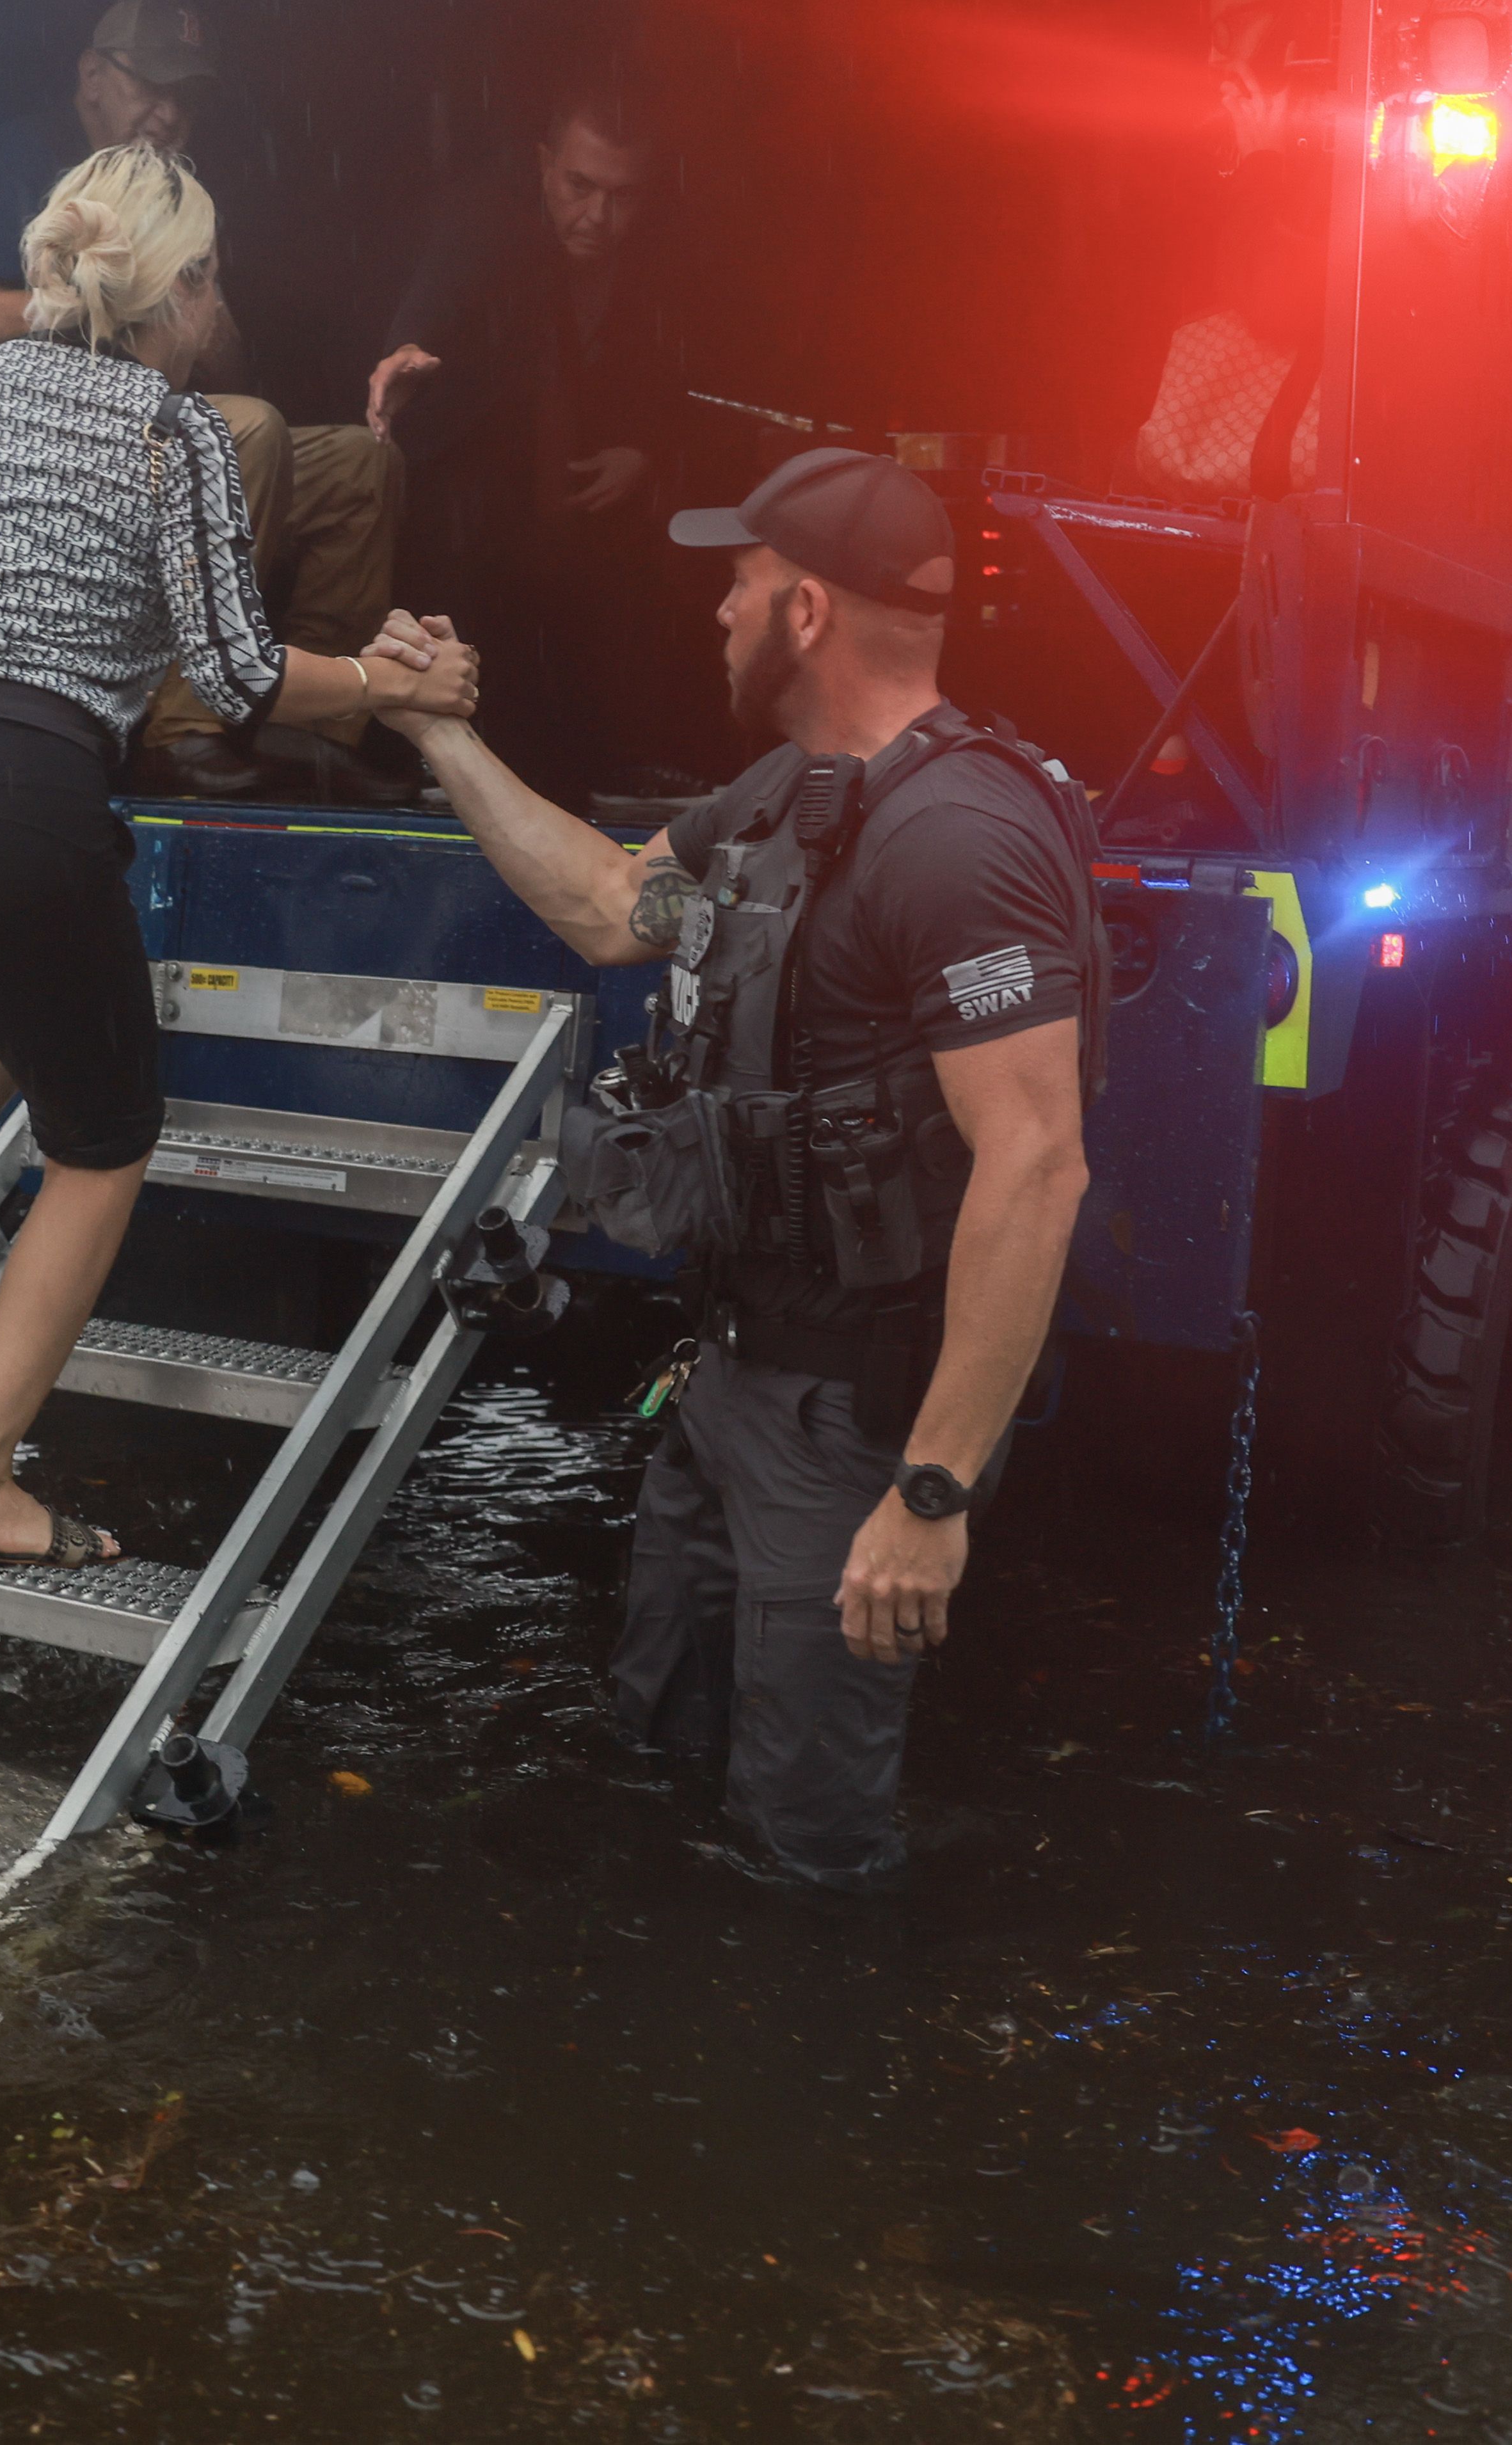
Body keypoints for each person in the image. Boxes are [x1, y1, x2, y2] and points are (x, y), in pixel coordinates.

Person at [367, 449, 1102, 1886]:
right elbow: (609, 906)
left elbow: (1040, 1164)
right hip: (734, 1378)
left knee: (807, 1848)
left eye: (742, 581)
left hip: (854, 1425)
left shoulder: (960, 837)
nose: (719, 608)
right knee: (662, 1762)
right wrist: (437, 736)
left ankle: (813, 2070)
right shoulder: (793, 791)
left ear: (809, 610)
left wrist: (933, 1497)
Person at [0, 143, 479, 1572]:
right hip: (5, 815)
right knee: (103, 1142)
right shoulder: (177, 432)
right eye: (217, 271)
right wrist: (386, 690)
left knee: (45, 911)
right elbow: (233, 670)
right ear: (190, 287)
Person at [0, 0, 408, 802]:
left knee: (357, 464)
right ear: (92, 75)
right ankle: (180, 731)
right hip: (73, 443)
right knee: (248, 432)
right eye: (149, 86)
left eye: (186, 97)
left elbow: (221, 370)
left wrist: (207, 300)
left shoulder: (184, 188)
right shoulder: (30, 153)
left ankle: (303, 727)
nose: (168, 113)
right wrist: (122, 304)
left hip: (170, 432)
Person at [367, 84, 696, 805]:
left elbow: (690, 379)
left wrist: (648, 451)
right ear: (546, 165)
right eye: (581, 186)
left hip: (589, 505)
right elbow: (433, 305)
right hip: (477, 495)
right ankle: (438, 756)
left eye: (623, 195)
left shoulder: (664, 260)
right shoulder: (487, 222)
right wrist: (408, 352)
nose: (599, 216)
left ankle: (621, 761)